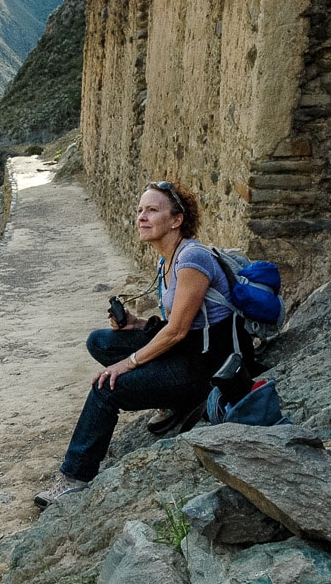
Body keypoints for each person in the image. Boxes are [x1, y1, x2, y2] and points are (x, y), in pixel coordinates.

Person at [34, 180, 255, 509]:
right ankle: (167, 396)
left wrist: (128, 363)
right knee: (101, 341)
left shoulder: (192, 258)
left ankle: (75, 477)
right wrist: (136, 325)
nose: (141, 217)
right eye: (140, 210)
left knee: (106, 387)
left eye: (152, 210)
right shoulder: (167, 260)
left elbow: (178, 331)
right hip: (187, 349)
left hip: (207, 367)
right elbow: (179, 323)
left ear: (176, 220)